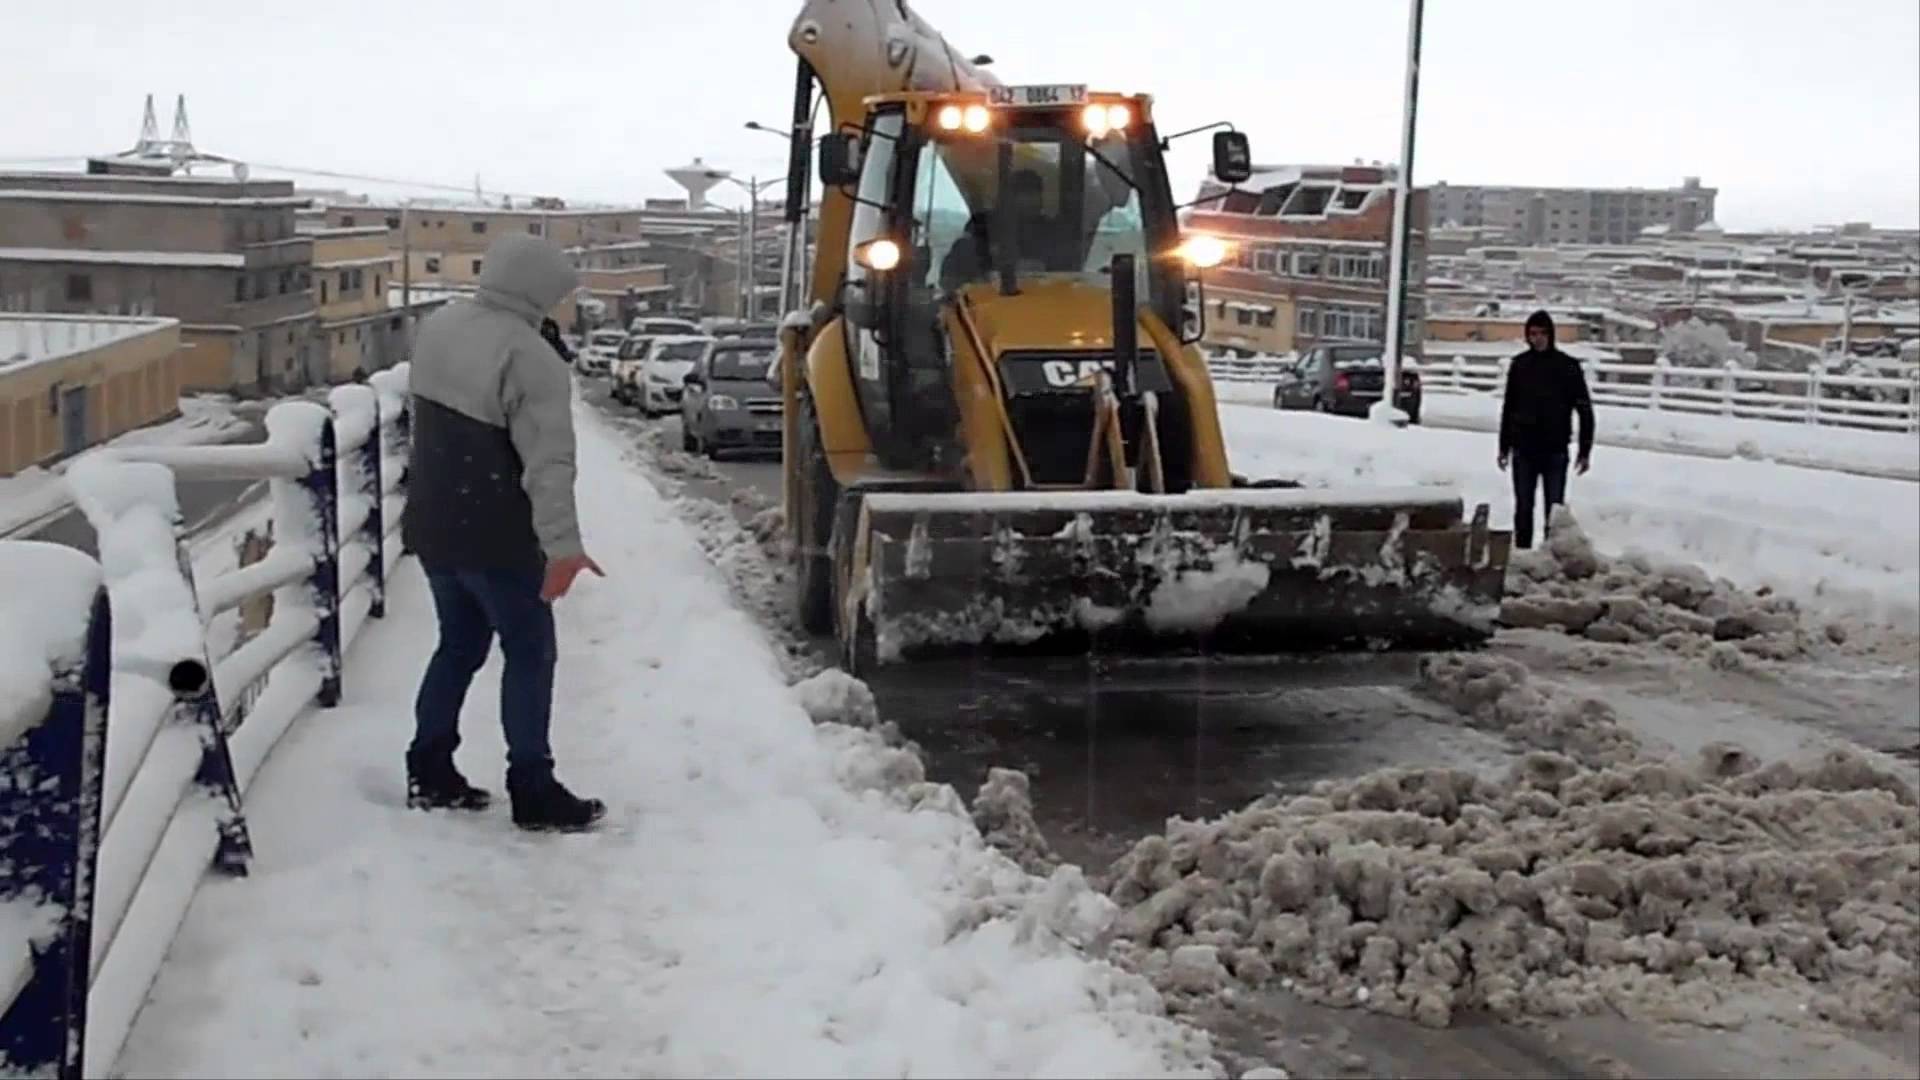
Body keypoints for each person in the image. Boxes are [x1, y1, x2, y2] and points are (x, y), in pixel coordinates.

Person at [401, 232, 607, 832]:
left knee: (458, 646)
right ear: (537, 288)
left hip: (435, 521)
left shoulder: (441, 325)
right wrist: (563, 549)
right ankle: (533, 788)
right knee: (530, 652)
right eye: (558, 293)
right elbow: (548, 465)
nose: (561, 304)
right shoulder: (528, 355)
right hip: (496, 533)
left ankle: (430, 769)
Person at [1497, 310, 1595, 549]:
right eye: (1533, 334)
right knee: (1523, 508)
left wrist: (1585, 451)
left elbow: (1585, 410)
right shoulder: (1520, 366)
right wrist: (1503, 447)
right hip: (1524, 450)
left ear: (1551, 335)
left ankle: (1552, 556)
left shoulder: (1567, 367)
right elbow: (1509, 408)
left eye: (1542, 333)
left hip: (1554, 450)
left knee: (1554, 510)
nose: (1538, 338)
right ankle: (1522, 554)